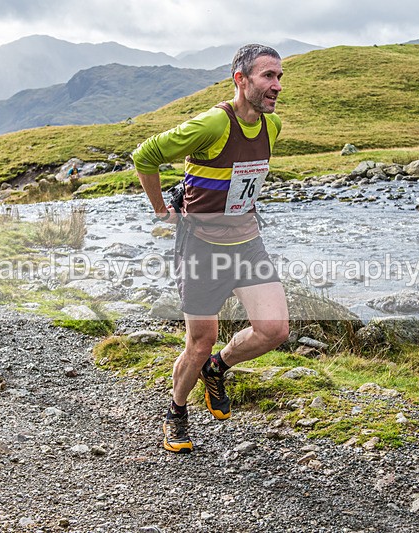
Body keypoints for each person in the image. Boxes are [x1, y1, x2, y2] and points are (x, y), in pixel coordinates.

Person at [132, 44, 290, 453]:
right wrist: (163, 210)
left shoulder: (272, 127)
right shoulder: (213, 124)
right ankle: (176, 410)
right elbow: (145, 155)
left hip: (248, 245)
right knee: (200, 340)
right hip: (202, 247)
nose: (276, 86)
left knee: (274, 329)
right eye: (267, 76)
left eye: (279, 77)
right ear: (241, 79)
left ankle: (217, 368)